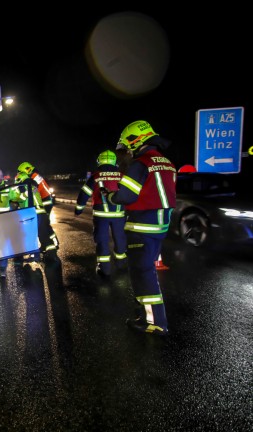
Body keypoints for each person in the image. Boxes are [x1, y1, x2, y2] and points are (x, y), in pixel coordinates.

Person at [103, 120, 176, 336]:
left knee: (143, 275)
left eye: (127, 146)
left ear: (136, 141)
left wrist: (111, 196)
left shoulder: (141, 164)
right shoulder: (166, 162)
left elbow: (126, 195)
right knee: (147, 271)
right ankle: (145, 313)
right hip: (160, 227)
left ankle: (155, 323)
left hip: (142, 227)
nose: (126, 151)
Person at [75, 150, 127, 277]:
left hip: (101, 216)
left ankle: (105, 269)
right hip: (119, 215)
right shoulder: (121, 176)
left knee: (102, 240)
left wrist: (79, 208)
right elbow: (129, 193)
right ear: (114, 161)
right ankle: (121, 264)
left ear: (100, 160)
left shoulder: (96, 176)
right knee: (120, 239)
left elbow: (84, 192)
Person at [9, 172, 58, 262]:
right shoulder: (32, 184)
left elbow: (20, 198)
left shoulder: (22, 186)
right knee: (44, 235)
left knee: (30, 235)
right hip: (41, 213)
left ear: (19, 179)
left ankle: (34, 256)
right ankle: (52, 254)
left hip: (32, 213)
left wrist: (14, 199)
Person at [17, 162, 59, 250]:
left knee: (45, 224)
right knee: (45, 223)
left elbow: (35, 188)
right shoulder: (35, 175)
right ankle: (48, 243)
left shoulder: (32, 177)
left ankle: (53, 242)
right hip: (46, 199)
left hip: (45, 200)